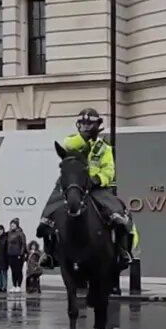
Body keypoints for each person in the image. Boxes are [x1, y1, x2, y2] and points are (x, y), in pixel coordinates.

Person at [37, 108, 135, 270]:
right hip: (72, 183)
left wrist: (97, 180)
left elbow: (109, 170)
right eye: (82, 123)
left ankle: (122, 251)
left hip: (95, 186)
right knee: (50, 210)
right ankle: (48, 253)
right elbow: (69, 145)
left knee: (117, 212)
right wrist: (85, 137)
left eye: (89, 123)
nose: (85, 126)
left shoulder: (104, 148)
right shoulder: (72, 141)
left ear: (97, 125)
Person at [4, 219, 27, 294]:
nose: (12, 226)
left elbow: (23, 244)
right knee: (13, 271)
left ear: (17, 225)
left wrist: (21, 254)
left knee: (18, 271)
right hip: (10, 254)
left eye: (13, 225)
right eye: (11, 225)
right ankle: (14, 285)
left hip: (18, 255)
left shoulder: (20, 233)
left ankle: (19, 286)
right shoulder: (9, 233)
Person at [0, 225, 9, 293]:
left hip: (4, 258)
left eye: (1, 230)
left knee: (4, 273)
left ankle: (4, 287)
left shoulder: (6, 239)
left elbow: (7, 250)